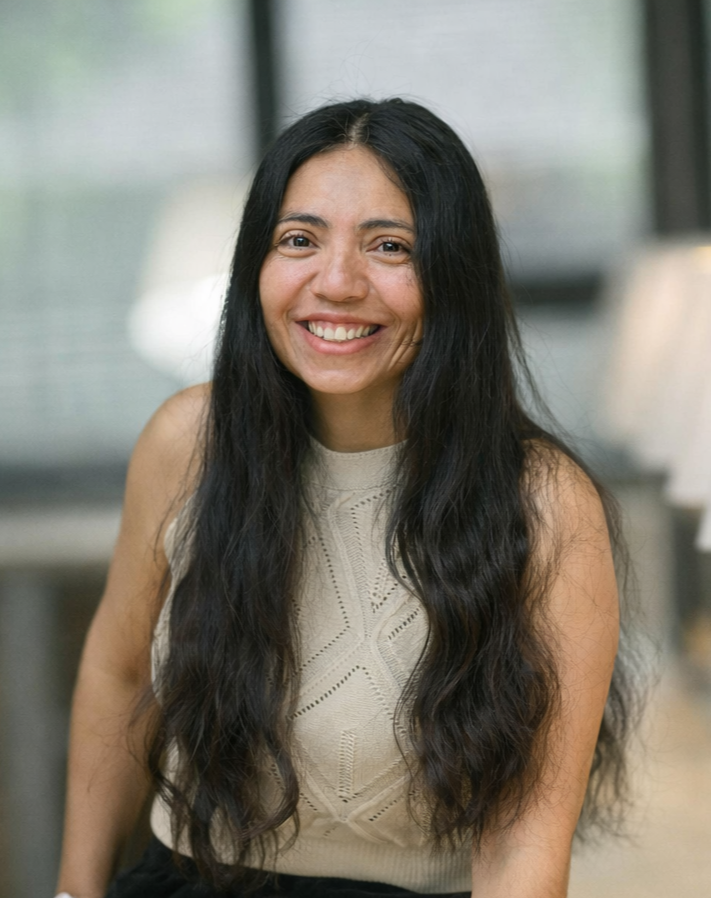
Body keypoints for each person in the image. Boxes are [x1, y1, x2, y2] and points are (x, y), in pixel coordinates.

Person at [55, 98, 635, 898]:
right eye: (299, 240)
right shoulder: (188, 442)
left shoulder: (544, 506)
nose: (336, 283)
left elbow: (526, 850)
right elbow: (119, 677)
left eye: (389, 247)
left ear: (453, 277)